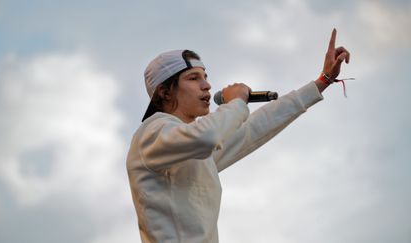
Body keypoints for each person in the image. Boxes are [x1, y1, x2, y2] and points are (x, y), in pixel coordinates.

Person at [127, 29, 350, 243]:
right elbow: (207, 137)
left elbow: (254, 128)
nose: (207, 85)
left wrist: (324, 80)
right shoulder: (152, 132)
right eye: (193, 78)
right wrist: (235, 102)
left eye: (205, 77)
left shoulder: (191, 149)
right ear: (165, 92)